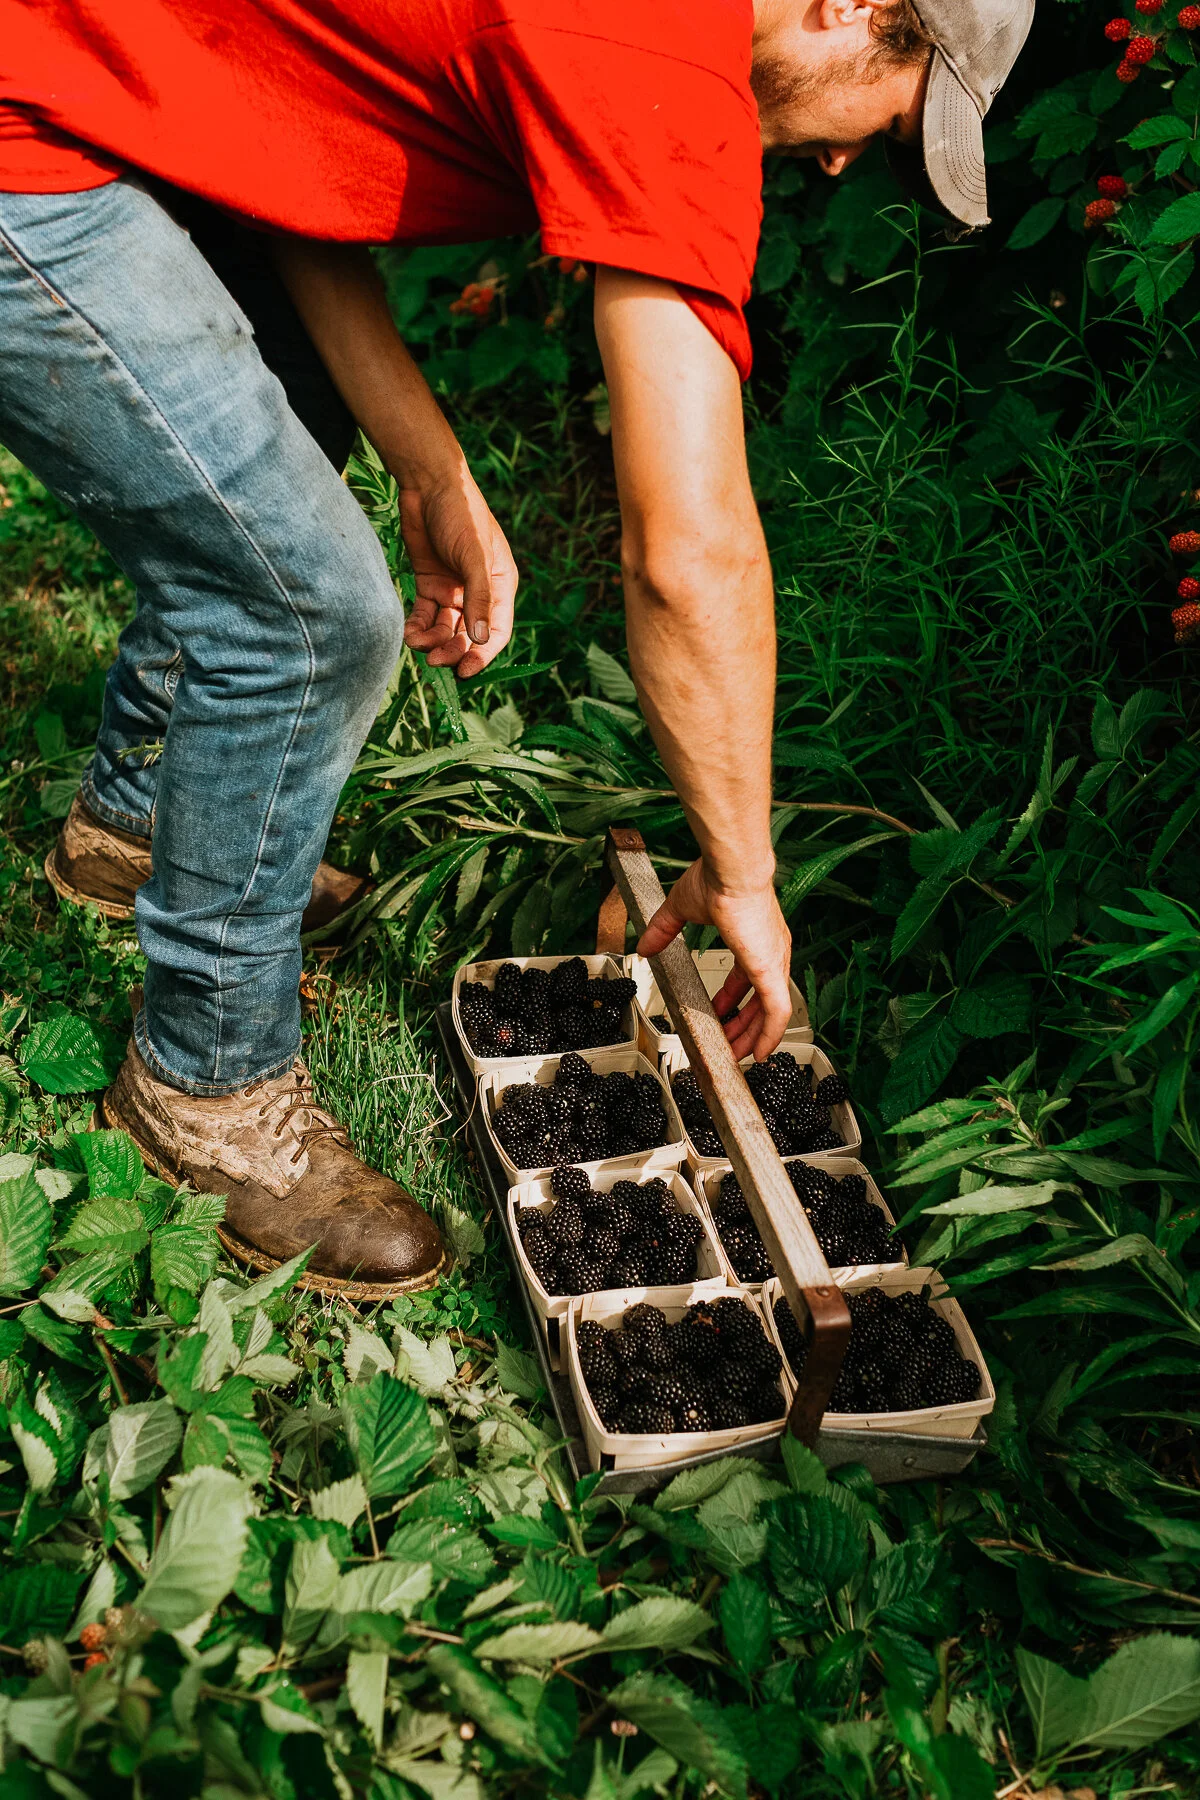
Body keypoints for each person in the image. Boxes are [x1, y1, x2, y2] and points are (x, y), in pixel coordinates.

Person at [0, 0, 1033, 1296]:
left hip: (118, 83)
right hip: (34, 136)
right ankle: (205, 1091)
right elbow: (690, 553)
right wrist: (746, 876)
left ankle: (150, 816)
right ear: (852, 11)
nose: (839, 163)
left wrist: (429, 464)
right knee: (307, 617)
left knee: (286, 436)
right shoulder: (673, 65)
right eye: (890, 124)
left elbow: (271, 154)